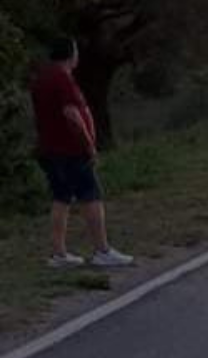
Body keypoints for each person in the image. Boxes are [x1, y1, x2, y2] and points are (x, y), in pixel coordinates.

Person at [30, 37, 132, 269]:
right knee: (91, 195)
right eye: (76, 51)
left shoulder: (41, 79)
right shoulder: (62, 79)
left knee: (61, 198)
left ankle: (59, 254)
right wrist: (89, 145)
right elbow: (72, 114)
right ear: (70, 54)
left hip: (49, 148)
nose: (78, 55)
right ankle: (102, 250)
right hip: (70, 149)